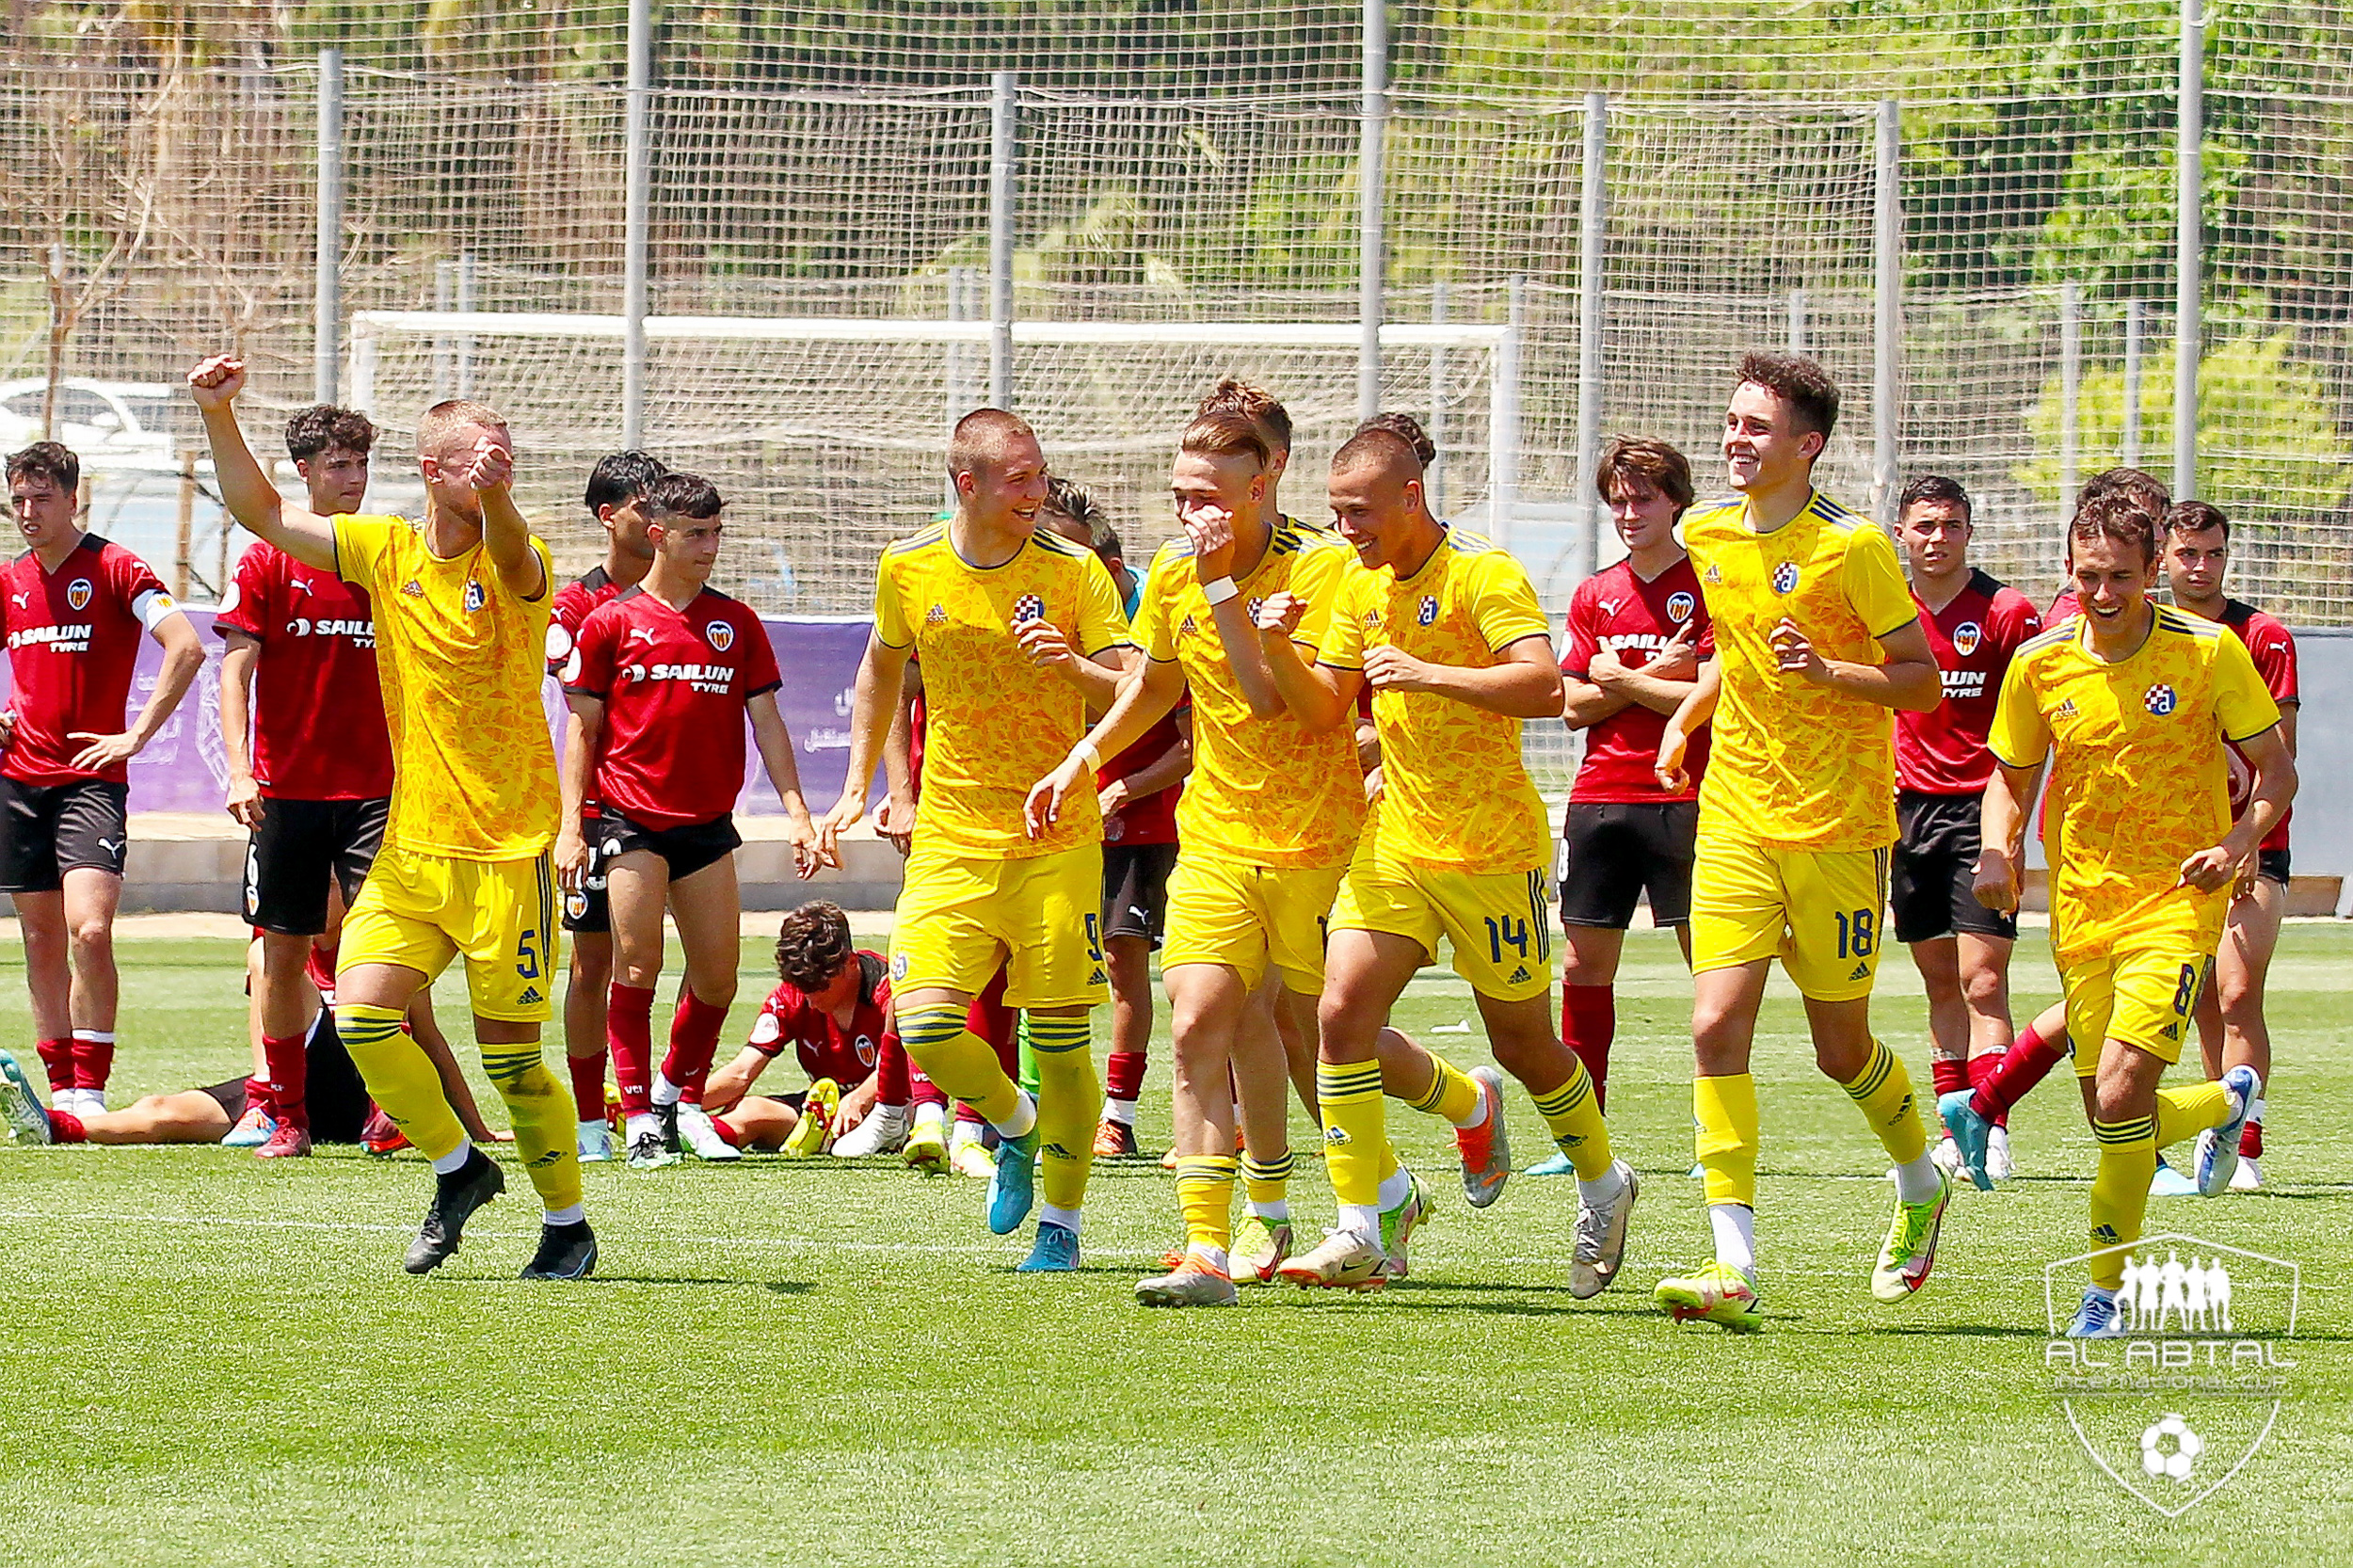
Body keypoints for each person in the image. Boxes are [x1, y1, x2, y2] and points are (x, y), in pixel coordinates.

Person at [190, 353, 596, 1282]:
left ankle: (567, 1225)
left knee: (514, 1065)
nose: (494, 468)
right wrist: (218, 416)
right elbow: (264, 514)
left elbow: (515, 554)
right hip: (413, 850)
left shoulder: (520, 561)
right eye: (478, 458)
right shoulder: (385, 550)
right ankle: (459, 1169)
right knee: (366, 1017)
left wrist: (497, 495)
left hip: (506, 857)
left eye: (505, 457)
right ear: (431, 470)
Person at [1252, 427, 1637, 1294]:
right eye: (1336, 513)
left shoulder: (1481, 573)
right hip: (1396, 839)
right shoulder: (1357, 583)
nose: (1346, 529)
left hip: (1492, 850)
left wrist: (1428, 673)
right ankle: (1365, 1223)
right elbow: (1324, 710)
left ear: (1410, 498)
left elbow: (1545, 686)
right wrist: (1277, 647)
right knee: (1339, 1013)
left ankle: (1603, 1183)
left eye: (1359, 512)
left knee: (1525, 1044)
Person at [1027, 409, 1364, 1306]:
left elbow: (1276, 704)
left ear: (1264, 483)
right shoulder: (1176, 571)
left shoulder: (1323, 566)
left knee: (1322, 1037)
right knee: (1198, 1021)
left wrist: (1222, 588)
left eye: (1207, 495)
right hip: (1214, 833)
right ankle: (1208, 1249)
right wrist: (1081, 760)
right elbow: (1153, 687)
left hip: (1316, 837)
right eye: (1179, 494)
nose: (1189, 512)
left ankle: (1441, 1124)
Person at [1650, 351, 1948, 1333]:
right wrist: (1686, 716)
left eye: (1757, 427)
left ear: (1807, 446)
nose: (1735, 439)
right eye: (1732, 421)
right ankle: (1732, 1262)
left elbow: (1920, 681)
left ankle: (1920, 1179)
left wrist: (1829, 673)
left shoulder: (1852, 548)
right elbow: (1732, 654)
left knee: (1839, 1048)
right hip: (1736, 814)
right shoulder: (1706, 532)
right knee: (1712, 1027)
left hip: (1839, 828)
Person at [817, 408, 1134, 1272]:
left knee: (1061, 1044)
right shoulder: (908, 564)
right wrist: (860, 788)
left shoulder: (1074, 571)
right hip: (952, 838)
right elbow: (882, 667)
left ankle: (1061, 1226)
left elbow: (1129, 688)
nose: (1038, 490)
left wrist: (1072, 665)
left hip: (1055, 838)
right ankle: (1015, 1125)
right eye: (1020, 478)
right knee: (924, 1026)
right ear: (970, 484)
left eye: (1040, 474)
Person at [1973, 478, 2291, 1336]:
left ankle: (2104, 1295)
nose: (2103, 593)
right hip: (2081, 908)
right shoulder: (2041, 663)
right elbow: (2011, 778)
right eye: (2087, 576)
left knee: (2118, 1099)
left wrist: (2236, 843)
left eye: (2120, 576)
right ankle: (2227, 1100)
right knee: (2109, 1115)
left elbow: (2278, 771)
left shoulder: (2210, 652)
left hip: (2177, 905)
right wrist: (1998, 848)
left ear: (2154, 572)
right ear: (2068, 571)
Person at [556, 471, 822, 1169]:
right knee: (635, 964)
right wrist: (570, 826)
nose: (710, 546)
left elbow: (767, 721)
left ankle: (676, 1096)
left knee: (718, 978)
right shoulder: (610, 621)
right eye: (696, 533)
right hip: (629, 820)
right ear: (659, 535)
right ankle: (638, 1118)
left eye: (716, 533)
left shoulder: (737, 623)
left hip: (706, 824)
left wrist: (797, 812)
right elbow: (582, 730)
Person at [215, 404, 400, 1160]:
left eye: (361, 464)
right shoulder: (266, 559)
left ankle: (388, 1106)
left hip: (378, 791)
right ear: (304, 472)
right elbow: (235, 672)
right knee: (283, 954)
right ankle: (285, 1113)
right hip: (286, 792)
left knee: (382, 945)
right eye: (338, 465)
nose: (354, 478)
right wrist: (239, 768)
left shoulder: (388, 554)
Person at [0, 440, 203, 1119]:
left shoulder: (117, 568)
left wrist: (136, 734)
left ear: (73, 499)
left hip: (91, 782)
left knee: (88, 929)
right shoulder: (10, 580)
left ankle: (90, 1088)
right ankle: (62, 1090)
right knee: (39, 937)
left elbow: (187, 645)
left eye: (42, 498)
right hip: (18, 782)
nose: (29, 512)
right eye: (18, 500)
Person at [1883, 474, 2041, 1188]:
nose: (1937, 539)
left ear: (1969, 532)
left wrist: (2012, 831)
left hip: (1983, 809)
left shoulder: (2007, 612)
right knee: (1939, 981)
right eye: (1924, 526)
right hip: (1906, 813)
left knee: (1984, 980)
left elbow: (2031, 725)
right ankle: (1954, 1130)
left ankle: (1993, 1124)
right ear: (1902, 534)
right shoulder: (1886, 611)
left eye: (1950, 525)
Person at [1553, 435, 1711, 1120]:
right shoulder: (1595, 592)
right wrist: (1651, 677)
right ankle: (1583, 1130)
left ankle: (1715, 1130)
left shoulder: (1708, 587)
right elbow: (1571, 705)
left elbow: (1711, 698)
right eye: (1617, 501)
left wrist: (1617, 677)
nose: (1627, 514)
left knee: (1711, 971)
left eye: (1642, 499)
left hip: (1687, 794)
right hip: (1601, 797)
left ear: (1675, 502)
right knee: (1582, 966)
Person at [1035, 481, 1193, 1162]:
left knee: (1148, 970)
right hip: (1069, 819)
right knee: (1052, 966)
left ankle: (1121, 1118)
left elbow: (1190, 744)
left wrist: (1122, 789)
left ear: (1110, 565)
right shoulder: (1046, 612)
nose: (1056, 568)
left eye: (1070, 555)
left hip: (1148, 824)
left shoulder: (1153, 622)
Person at [2156, 499, 2297, 1192]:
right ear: (2163, 558)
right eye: (2188, 553)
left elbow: (2281, 759)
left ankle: (2247, 1149)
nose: (2202, 566)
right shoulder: (2147, 637)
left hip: (2250, 843)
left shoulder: (2262, 636)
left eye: (2214, 553)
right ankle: (2220, 1122)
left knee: (2238, 990)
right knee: (2203, 997)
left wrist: (2248, 840)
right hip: (2171, 845)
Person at [548, 450, 665, 1161]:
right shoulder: (575, 606)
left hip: (679, 814)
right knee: (594, 963)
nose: (656, 520)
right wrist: (571, 824)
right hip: (600, 812)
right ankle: (594, 1120)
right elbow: (579, 716)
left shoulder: (694, 600)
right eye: (642, 506)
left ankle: (667, 1105)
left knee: (695, 966)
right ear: (608, 516)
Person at [700, 901, 942, 1156]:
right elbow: (741, 1073)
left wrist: (859, 1100)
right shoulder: (794, 994)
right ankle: (689, 1136)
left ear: (850, 963)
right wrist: (682, 1106)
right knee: (749, 1111)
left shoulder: (888, 989)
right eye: (802, 986)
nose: (810, 998)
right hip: (825, 1111)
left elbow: (911, 1058)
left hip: (892, 1108)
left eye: (819, 986)